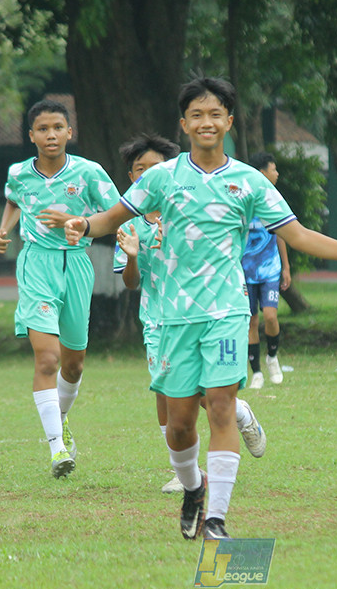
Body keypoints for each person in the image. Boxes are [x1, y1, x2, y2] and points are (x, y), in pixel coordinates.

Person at [66, 77, 337, 540]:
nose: (207, 122)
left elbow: (298, 235)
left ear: (229, 122)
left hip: (226, 313)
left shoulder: (248, 182)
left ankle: (218, 519)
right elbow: (111, 218)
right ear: (184, 124)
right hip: (174, 319)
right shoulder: (161, 178)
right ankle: (193, 488)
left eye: (215, 114)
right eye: (197, 115)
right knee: (179, 427)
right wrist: (83, 224)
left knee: (220, 406)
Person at [113, 133, 266, 495]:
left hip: (210, 312)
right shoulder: (129, 223)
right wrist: (133, 255)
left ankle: (238, 414)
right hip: (157, 318)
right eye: (139, 170)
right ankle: (186, 471)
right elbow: (131, 284)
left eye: (154, 167)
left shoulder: (193, 206)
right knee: (166, 395)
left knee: (208, 395)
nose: (147, 174)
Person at [0, 99, 121, 479]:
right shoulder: (18, 172)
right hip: (36, 264)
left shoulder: (89, 173)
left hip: (77, 265)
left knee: (73, 362)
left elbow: (117, 215)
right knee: (47, 359)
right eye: (43, 129)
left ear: (70, 132)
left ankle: (60, 419)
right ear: (31, 135)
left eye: (58, 128)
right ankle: (56, 448)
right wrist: (4, 230)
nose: (51, 135)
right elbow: (15, 200)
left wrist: (78, 220)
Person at [242, 152, 291, 389]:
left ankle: (272, 357)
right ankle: (257, 372)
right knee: (251, 321)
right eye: (274, 168)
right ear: (262, 173)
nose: (277, 173)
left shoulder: (274, 201)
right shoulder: (244, 200)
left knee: (270, 316)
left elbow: (282, 233)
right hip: (245, 271)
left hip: (270, 269)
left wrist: (286, 267)